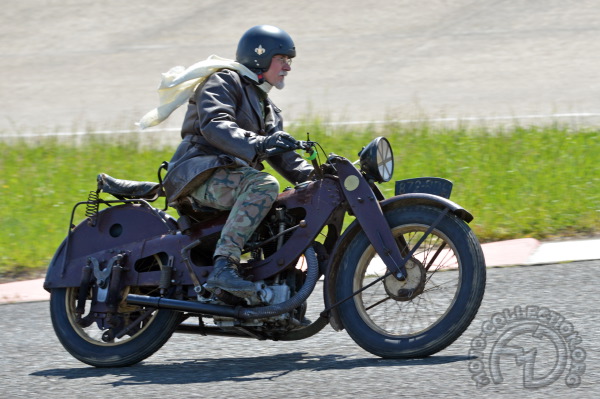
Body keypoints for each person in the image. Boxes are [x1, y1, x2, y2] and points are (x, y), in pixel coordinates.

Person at [154, 25, 313, 298]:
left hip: (229, 180)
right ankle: (224, 267)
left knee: (288, 205)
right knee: (263, 185)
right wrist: (259, 143)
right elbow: (215, 125)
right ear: (259, 57)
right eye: (282, 59)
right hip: (200, 175)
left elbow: (285, 159)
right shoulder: (224, 81)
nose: (288, 67)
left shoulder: (268, 108)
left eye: (290, 61)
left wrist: (320, 177)